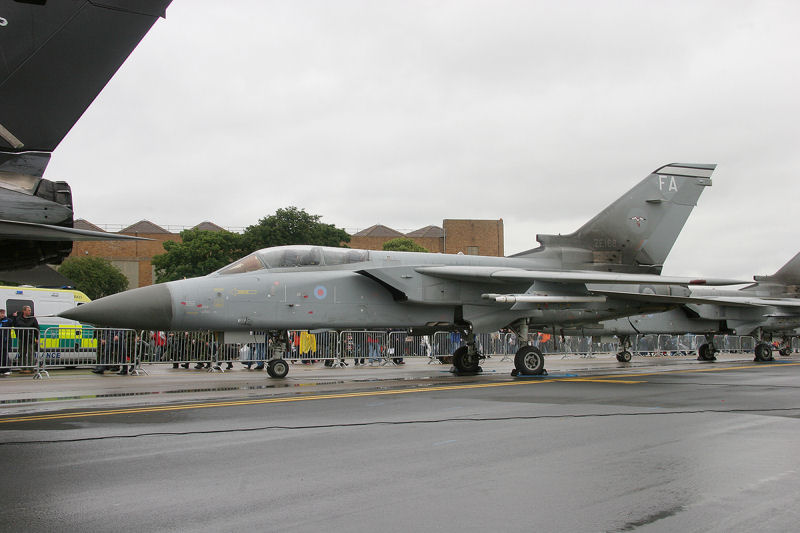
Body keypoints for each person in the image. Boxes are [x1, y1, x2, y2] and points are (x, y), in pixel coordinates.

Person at [0, 309, 13, 375]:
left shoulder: (7, 320)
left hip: (5, 340)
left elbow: (12, 322)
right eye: (1, 313)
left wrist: (13, 316)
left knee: (4, 354)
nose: (2, 314)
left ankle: (6, 369)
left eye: (3, 313)